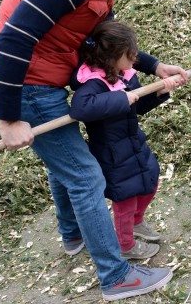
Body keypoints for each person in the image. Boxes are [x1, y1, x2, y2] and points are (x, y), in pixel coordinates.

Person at [0, 0, 190, 301]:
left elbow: (97, 40)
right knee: (87, 176)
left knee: (66, 162)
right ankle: (116, 277)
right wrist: (8, 118)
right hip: (27, 86)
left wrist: (153, 67)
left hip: (43, 82)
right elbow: (13, 39)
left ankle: (73, 234)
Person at [69, 21, 182, 260]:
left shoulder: (125, 75)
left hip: (133, 143)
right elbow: (80, 108)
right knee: (126, 199)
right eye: (129, 53)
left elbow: (138, 105)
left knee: (150, 182)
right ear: (111, 56)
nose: (135, 56)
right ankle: (126, 245)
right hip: (112, 153)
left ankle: (137, 221)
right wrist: (122, 98)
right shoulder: (93, 82)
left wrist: (160, 92)